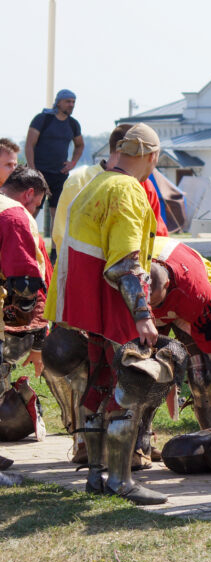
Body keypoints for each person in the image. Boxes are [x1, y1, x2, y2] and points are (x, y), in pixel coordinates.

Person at [43, 123, 167, 505]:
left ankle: (97, 475)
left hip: (82, 308)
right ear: (152, 157)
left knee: (97, 387)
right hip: (110, 306)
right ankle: (120, 480)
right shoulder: (128, 190)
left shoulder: (95, 184)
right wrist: (144, 316)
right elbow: (125, 266)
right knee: (127, 390)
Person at [149, 236, 211, 432]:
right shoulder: (129, 279)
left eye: (155, 303)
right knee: (142, 369)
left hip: (186, 299)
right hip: (143, 313)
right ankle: (140, 443)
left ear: (165, 287)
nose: (154, 308)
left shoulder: (196, 293)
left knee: (202, 376)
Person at [0, 167, 51, 472]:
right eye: (38, 205)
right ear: (29, 194)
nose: (35, 212)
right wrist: (32, 338)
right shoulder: (16, 215)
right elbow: (24, 284)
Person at [52, 124, 170, 255]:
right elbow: (62, 234)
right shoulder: (79, 181)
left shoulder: (145, 185)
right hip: (90, 268)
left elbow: (157, 238)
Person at [25, 89, 84, 232]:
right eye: (68, 101)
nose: (71, 105)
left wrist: (73, 163)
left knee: (57, 215)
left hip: (59, 174)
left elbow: (80, 145)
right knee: (32, 212)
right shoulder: (43, 119)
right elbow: (29, 144)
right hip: (39, 173)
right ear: (58, 102)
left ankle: (54, 252)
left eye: (73, 102)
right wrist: (33, 170)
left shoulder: (73, 124)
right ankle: (25, 244)